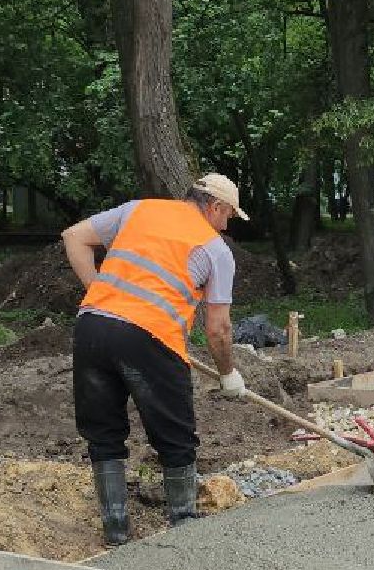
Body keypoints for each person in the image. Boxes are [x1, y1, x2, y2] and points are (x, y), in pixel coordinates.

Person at [62, 173, 249, 546]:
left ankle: (115, 530)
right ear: (216, 207)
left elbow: (74, 237)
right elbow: (219, 329)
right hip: (150, 339)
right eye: (229, 215)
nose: (228, 225)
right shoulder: (214, 248)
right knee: (175, 437)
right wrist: (228, 374)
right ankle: (183, 525)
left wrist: (100, 293)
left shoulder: (138, 210)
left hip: (92, 328)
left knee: (103, 434)